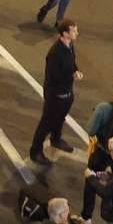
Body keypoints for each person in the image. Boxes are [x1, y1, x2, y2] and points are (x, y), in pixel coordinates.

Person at [30, 19, 82, 164]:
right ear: (65, 34)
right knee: (46, 123)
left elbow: (72, 61)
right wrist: (72, 76)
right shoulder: (55, 53)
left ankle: (56, 139)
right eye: (74, 30)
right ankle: (35, 151)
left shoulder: (70, 45)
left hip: (67, 93)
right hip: (55, 95)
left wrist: (76, 70)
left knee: (60, 118)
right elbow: (53, 78)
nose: (77, 33)